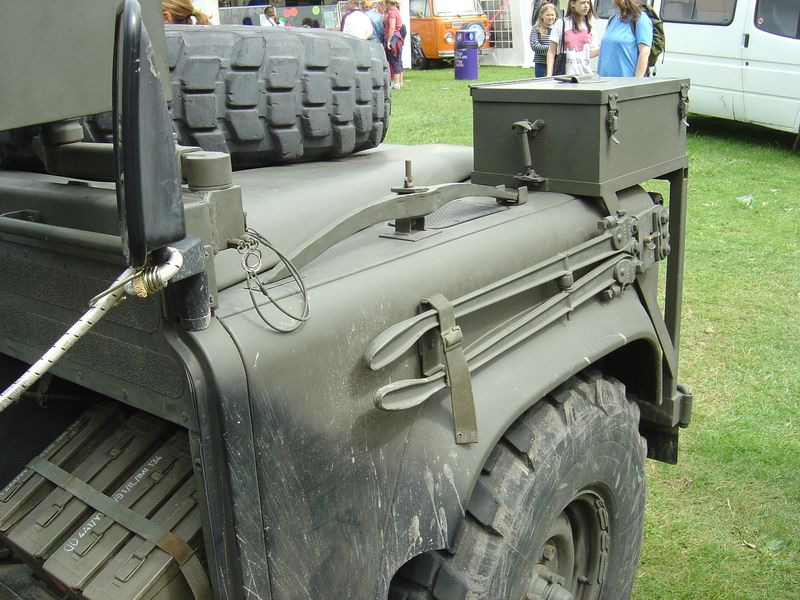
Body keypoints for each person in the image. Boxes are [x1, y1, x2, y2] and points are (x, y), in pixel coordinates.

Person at [598, 0, 653, 77]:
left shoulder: (640, 18)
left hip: (626, 82)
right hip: (605, 81)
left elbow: (644, 52)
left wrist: (637, 82)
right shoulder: (613, 19)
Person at [546, 0, 598, 77]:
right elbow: (551, 51)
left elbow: (589, 53)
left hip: (586, 75)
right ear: (573, 4)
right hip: (565, 74)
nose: (586, 6)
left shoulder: (590, 26)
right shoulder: (561, 23)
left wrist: (604, 48)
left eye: (588, 3)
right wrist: (549, 74)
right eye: (582, 3)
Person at [530, 3, 558, 78]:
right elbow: (535, 46)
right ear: (542, 15)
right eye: (548, 15)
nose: (550, 17)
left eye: (552, 15)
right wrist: (552, 49)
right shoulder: (536, 29)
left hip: (556, 63)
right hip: (541, 64)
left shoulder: (558, 29)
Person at [384, 0, 404, 89]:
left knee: (393, 60)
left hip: (393, 39)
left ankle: (396, 83)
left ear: (388, 3)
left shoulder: (392, 13)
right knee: (398, 60)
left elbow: (392, 27)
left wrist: (388, 41)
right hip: (398, 38)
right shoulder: (397, 11)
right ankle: (399, 82)